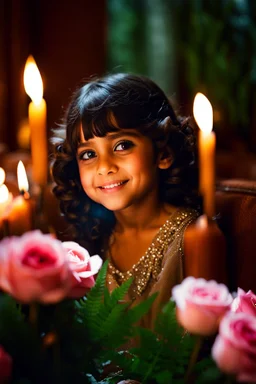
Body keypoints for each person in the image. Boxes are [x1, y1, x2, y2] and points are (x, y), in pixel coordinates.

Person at [51, 73, 200, 329]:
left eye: (121, 145)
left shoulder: (194, 238)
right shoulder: (94, 238)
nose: (105, 166)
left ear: (163, 153)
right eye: (88, 154)